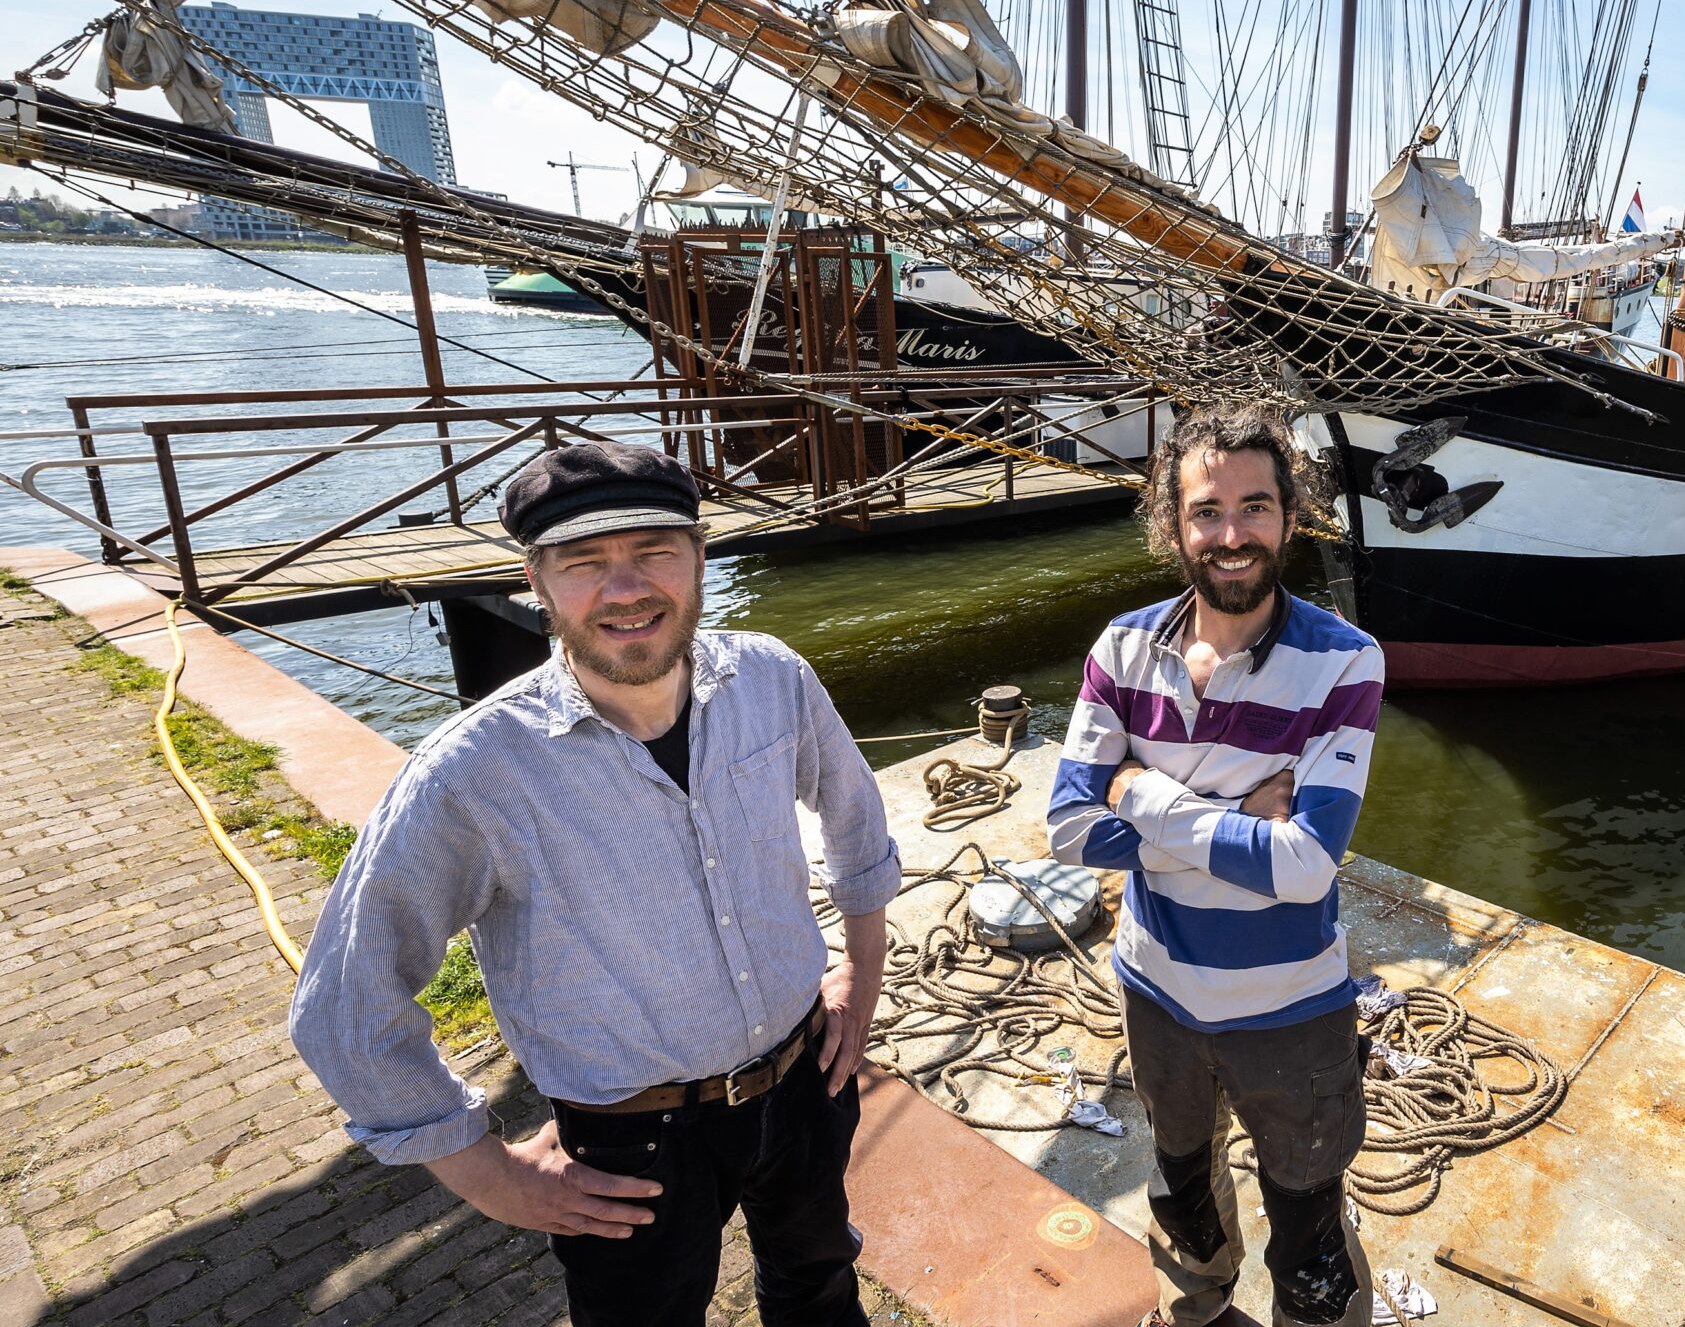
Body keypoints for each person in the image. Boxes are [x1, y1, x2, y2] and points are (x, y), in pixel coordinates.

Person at [288, 441, 897, 1327]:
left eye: (655, 550)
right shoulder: (473, 772)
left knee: (820, 1282)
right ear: (534, 581)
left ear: (699, 558)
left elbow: (854, 813)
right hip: (632, 1140)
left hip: (807, 1078)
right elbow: (344, 1006)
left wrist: (863, 971)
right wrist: (485, 1173)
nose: (626, 588)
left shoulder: (773, 678)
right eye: (583, 562)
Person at [1048, 409, 1384, 1327]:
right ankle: (1196, 1311)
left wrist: (1141, 793)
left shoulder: (1345, 662)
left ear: (1290, 517)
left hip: (1292, 1010)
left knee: (1310, 1229)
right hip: (1155, 993)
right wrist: (1239, 821)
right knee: (1180, 1190)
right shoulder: (1121, 650)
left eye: (1255, 507)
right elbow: (1069, 829)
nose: (1231, 534)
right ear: (1173, 524)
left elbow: (1305, 867)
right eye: (1206, 511)